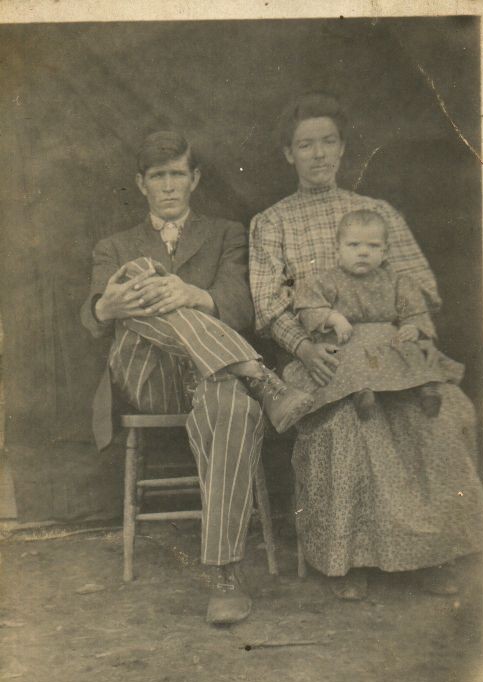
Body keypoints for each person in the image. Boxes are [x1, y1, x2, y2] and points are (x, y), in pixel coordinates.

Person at [249, 92, 483, 600]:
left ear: (342, 147)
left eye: (328, 141)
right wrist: (305, 349)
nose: (318, 154)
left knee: (442, 411)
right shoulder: (272, 222)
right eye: (305, 145)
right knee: (349, 423)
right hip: (320, 355)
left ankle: (429, 551)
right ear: (288, 153)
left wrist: (411, 334)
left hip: (391, 352)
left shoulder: (377, 213)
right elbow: (268, 308)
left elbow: (420, 289)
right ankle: (350, 559)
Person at [81, 130, 311, 626]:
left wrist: (192, 294)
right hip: (148, 376)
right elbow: (94, 318)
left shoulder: (227, 233)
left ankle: (225, 574)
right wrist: (104, 307)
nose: (168, 186)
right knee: (138, 274)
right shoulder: (113, 245)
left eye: (177, 174)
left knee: (234, 408)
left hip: (210, 378)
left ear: (195, 179)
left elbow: (243, 306)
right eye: (158, 176)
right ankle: (257, 374)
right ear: (141, 184)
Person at [286, 208, 464, 420]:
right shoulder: (327, 281)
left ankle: (426, 389)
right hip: (349, 339)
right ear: (337, 249)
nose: (363, 252)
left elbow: (412, 309)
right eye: (353, 245)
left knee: (413, 349)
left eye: (373, 246)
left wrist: (412, 326)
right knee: (348, 360)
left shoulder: (395, 281)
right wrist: (334, 318)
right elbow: (309, 307)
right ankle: (362, 394)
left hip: (388, 340)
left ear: (385, 252)